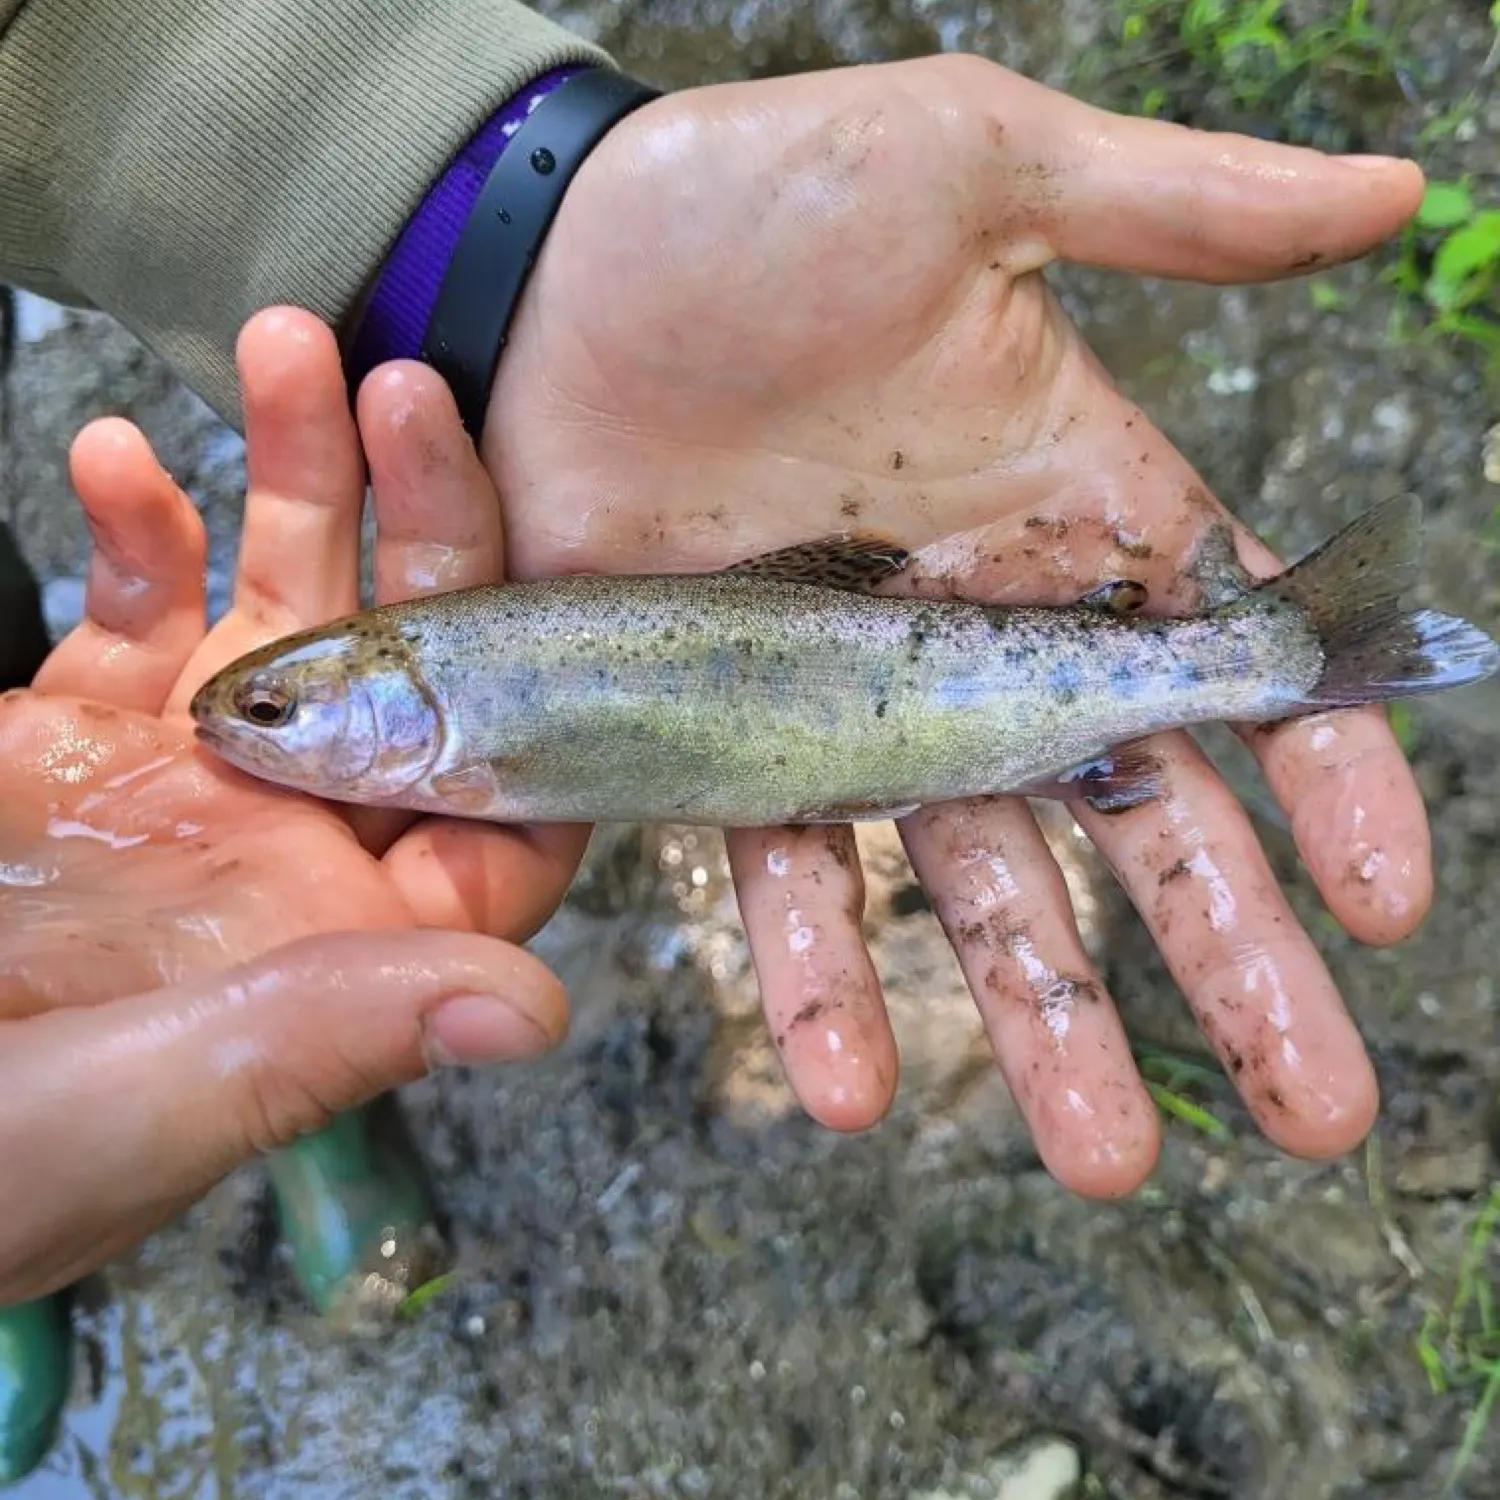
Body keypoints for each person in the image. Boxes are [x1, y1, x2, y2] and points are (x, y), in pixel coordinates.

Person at [0, 5, 1437, 1241]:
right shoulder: (451, 708)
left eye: (272, 710)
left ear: (385, 696)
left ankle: (1286, 651)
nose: (241, 724)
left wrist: (501, 220)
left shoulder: (463, 716)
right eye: (270, 711)